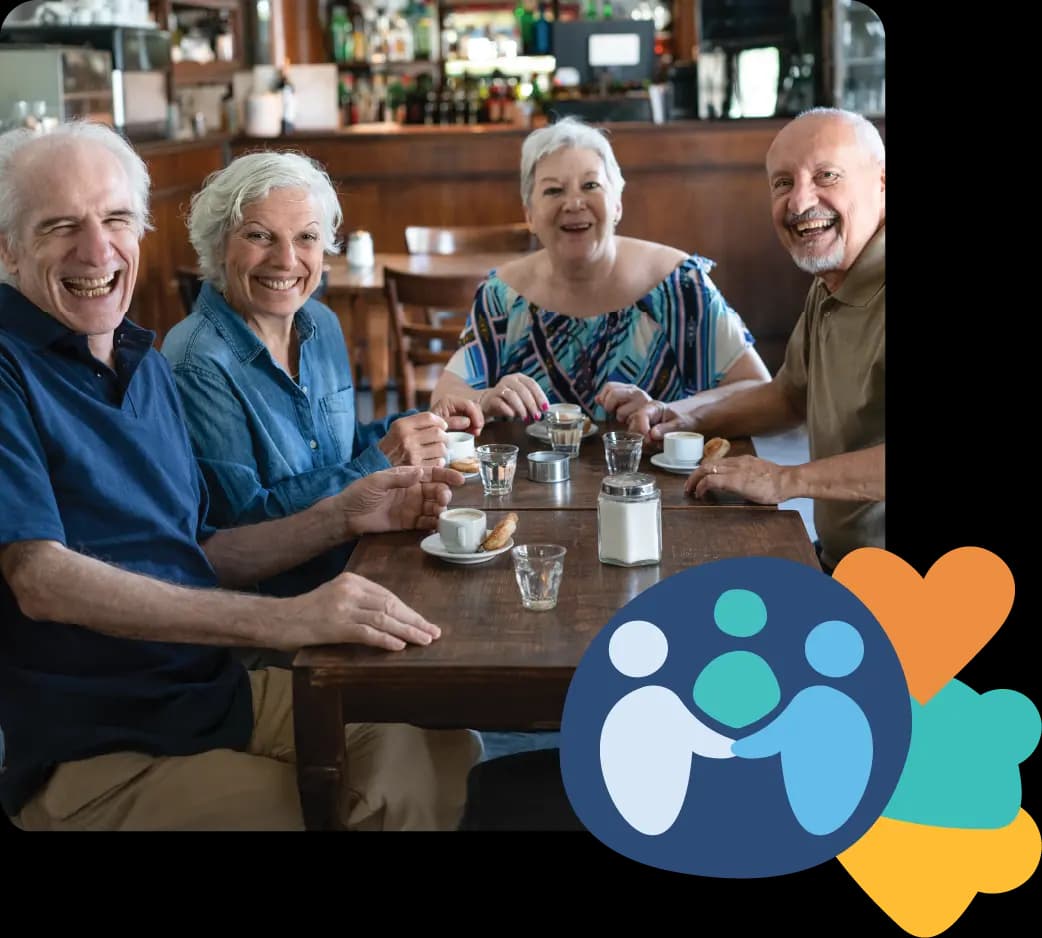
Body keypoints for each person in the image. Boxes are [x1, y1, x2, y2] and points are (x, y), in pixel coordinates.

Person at [0, 121, 480, 831]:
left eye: (116, 219)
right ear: (8, 248)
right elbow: (39, 578)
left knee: (441, 752)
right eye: (61, 225)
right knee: (316, 811)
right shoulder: (12, 369)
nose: (97, 249)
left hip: (207, 693)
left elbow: (206, 549)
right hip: (97, 744)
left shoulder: (144, 362)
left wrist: (348, 512)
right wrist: (284, 619)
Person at [161, 150, 484, 600]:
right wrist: (382, 460)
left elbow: (338, 449)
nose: (286, 259)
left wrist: (427, 424)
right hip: (285, 608)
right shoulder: (197, 360)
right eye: (260, 236)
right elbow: (244, 526)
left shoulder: (321, 323)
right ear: (218, 244)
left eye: (306, 237)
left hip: (359, 563)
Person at [628, 108, 885, 574]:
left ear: (882, 184)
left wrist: (787, 479)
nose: (799, 201)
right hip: (835, 563)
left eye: (827, 176)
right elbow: (789, 395)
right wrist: (682, 415)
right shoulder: (832, 280)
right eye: (783, 183)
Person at [430, 116, 770, 424]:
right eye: (553, 190)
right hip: (529, 490)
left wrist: (671, 410)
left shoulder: (679, 285)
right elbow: (443, 400)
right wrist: (485, 399)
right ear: (530, 215)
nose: (574, 203)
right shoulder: (501, 297)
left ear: (618, 203)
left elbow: (756, 388)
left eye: (591, 185)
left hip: (661, 488)